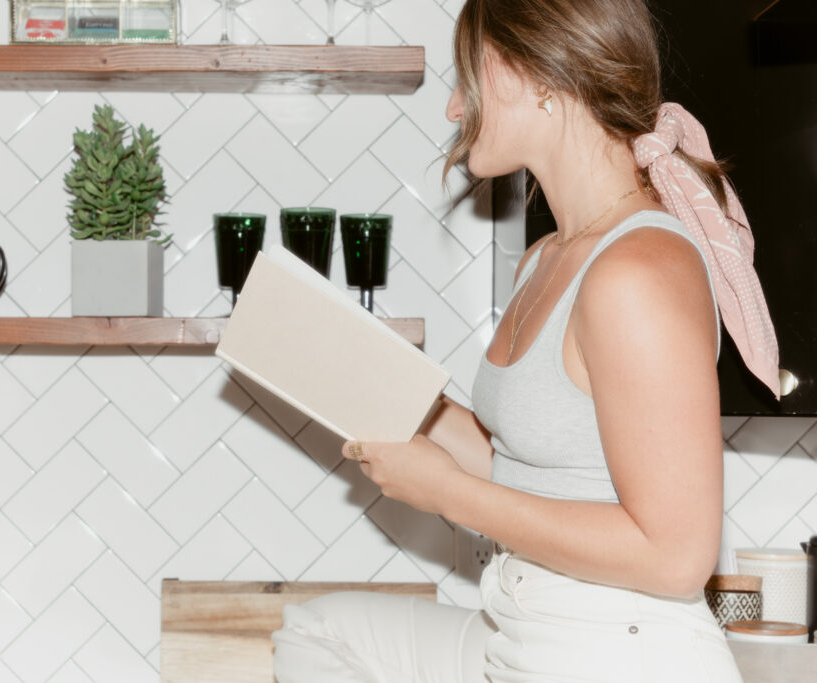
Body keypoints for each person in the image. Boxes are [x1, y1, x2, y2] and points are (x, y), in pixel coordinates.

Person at [271, 0, 781, 681]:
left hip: (618, 649)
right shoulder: (544, 259)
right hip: (522, 626)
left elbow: (676, 554)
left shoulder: (639, 271)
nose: (455, 108)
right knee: (318, 633)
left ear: (539, 74)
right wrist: (365, 376)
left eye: (468, 80)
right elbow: (521, 464)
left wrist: (447, 494)